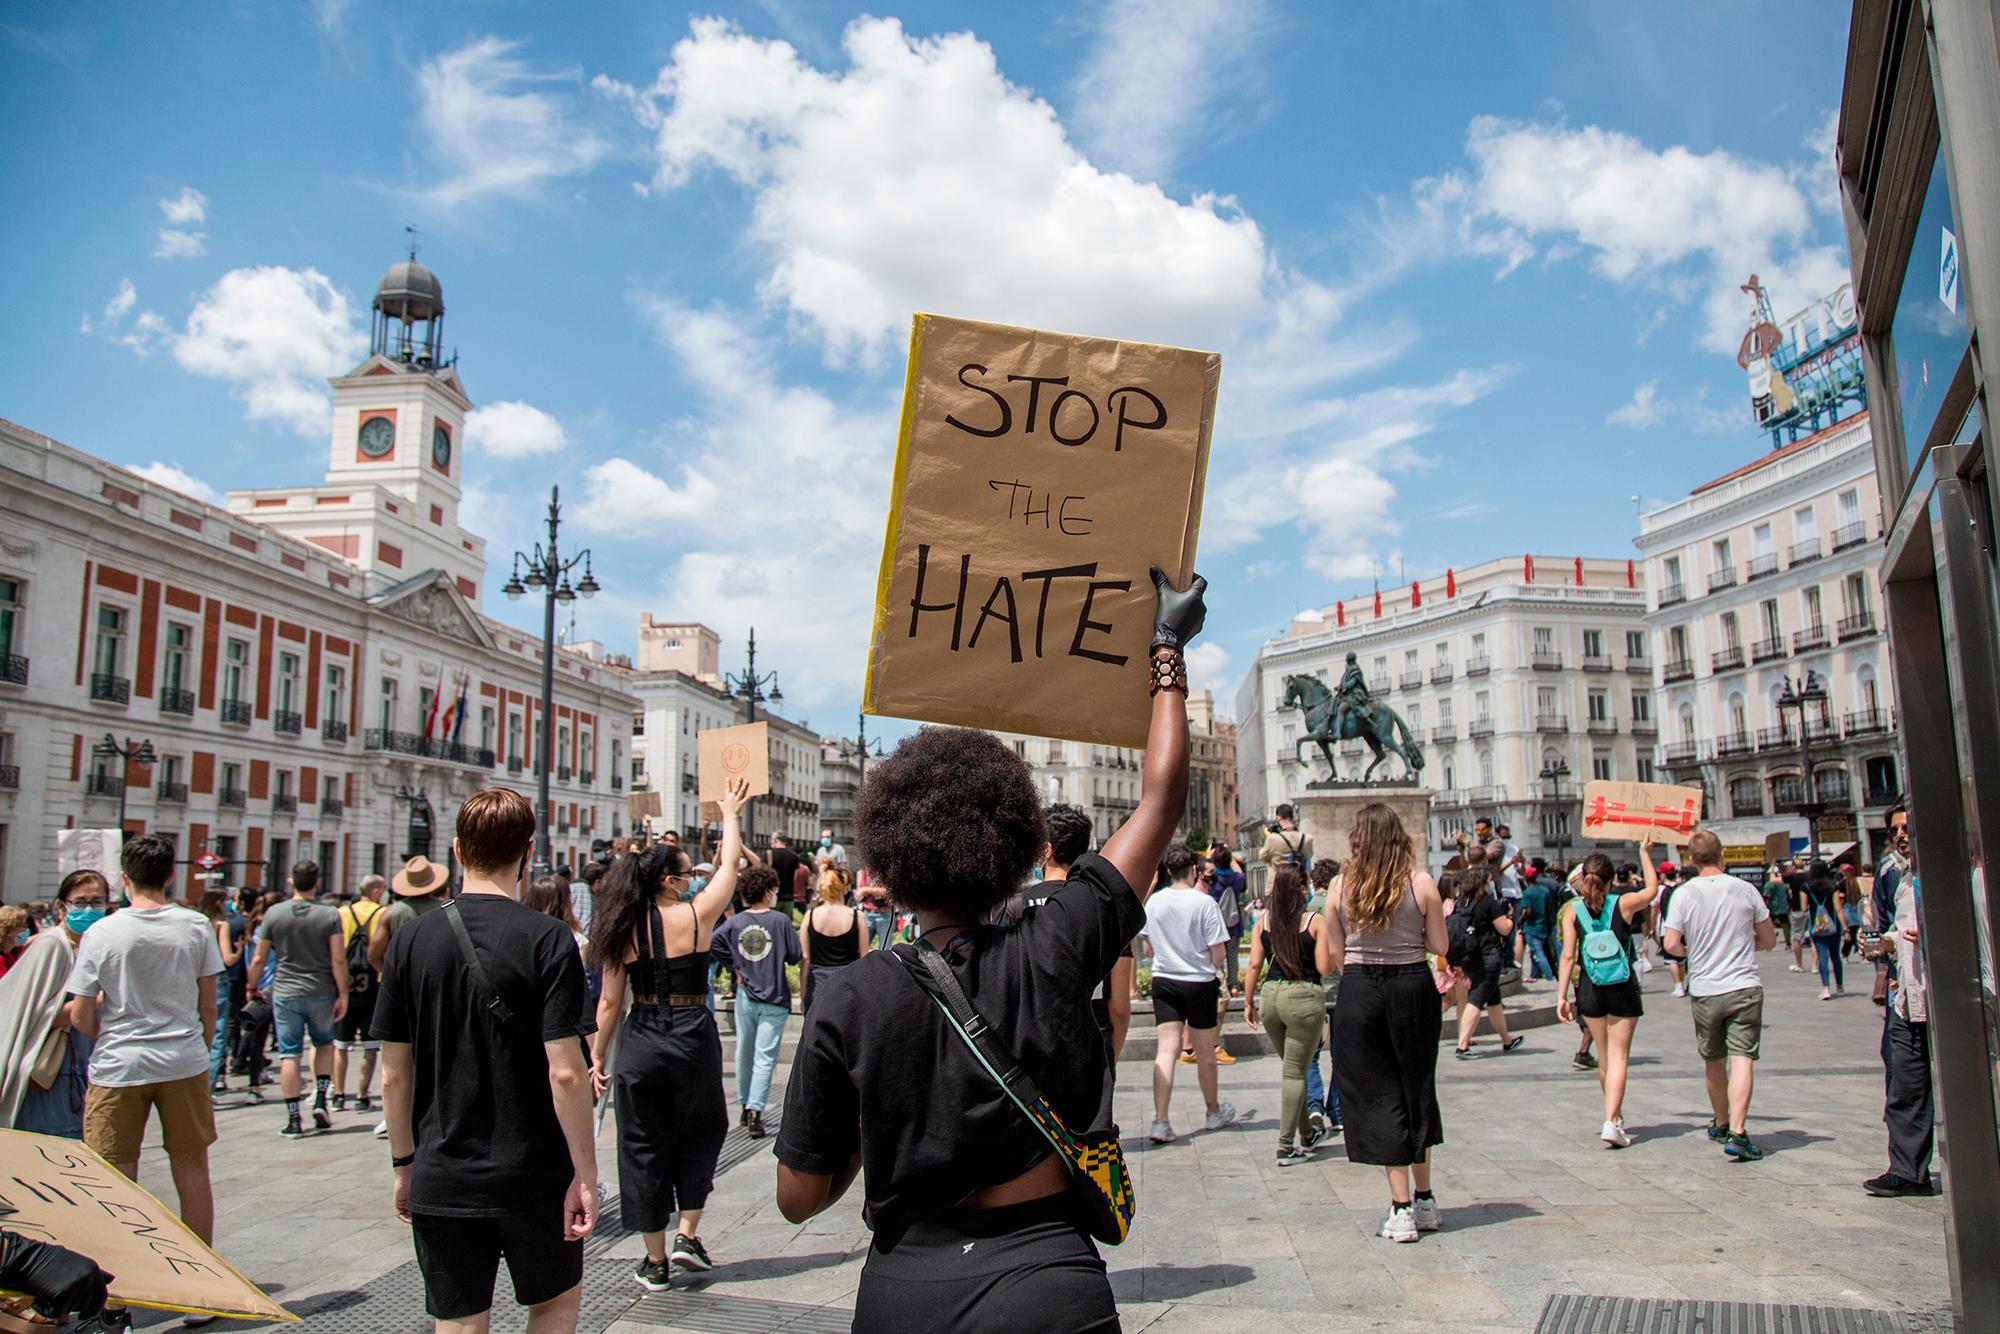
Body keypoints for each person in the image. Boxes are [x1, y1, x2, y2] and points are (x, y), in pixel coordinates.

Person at [773, 566, 1205, 1331]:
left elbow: (797, 1197)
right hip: (1047, 1279)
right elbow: (1161, 802)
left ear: (891, 864)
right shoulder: (1058, 937)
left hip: (906, 1290)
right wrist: (1165, 649)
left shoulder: (850, 997)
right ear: (1012, 848)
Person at [374, 789, 600, 1333]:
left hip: (442, 1168)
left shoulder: (410, 940)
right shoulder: (548, 938)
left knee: (459, 1320)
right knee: (552, 1305)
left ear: (456, 850)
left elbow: (393, 1074)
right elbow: (566, 1071)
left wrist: (404, 1165)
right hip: (534, 1170)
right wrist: (586, 1174)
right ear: (526, 852)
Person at [589, 781, 747, 1291]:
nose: (690, 879)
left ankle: (653, 1259)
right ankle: (687, 1233)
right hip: (692, 1031)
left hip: (642, 1037)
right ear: (672, 882)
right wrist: (729, 814)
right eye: (684, 873)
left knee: (641, 1142)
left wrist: (596, 1056)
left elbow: (610, 1002)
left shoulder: (622, 925)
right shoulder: (697, 916)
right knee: (701, 1130)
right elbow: (728, 870)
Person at [65, 835, 223, 1332]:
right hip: (183, 1060)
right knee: (192, 1171)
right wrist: (200, 1041)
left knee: (115, 1184)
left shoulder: (103, 933)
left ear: (124, 878)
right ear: (171, 875)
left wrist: (109, 1033)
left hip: (119, 1065)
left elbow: (82, 1012)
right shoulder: (196, 926)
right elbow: (210, 1004)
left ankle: (115, 1299)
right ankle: (199, 1294)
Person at [1315, 802, 1451, 1243]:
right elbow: (1439, 943)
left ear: (1358, 839)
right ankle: (1425, 1198)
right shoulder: (1422, 882)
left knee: (1379, 1094)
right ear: (1400, 837)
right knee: (1416, 1085)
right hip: (1414, 986)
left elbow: (1334, 955)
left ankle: (1401, 1208)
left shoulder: (1340, 886)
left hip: (1360, 988)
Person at [1662, 829, 1776, 1162]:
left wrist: (1691, 951)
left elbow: (1671, 945)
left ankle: (1722, 1122)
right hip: (1742, 984)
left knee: (1714, 1059)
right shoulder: (1746, 889)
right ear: (1722, 855)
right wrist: (1747, 943)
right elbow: (1768, 939)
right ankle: (1739, 1132)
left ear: (1692, 860)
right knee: (1742, 1058)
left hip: (1705, 989)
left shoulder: (1683, 894)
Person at [1554, 847, 1659, 1148]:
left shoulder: (1572, 910)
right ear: (1611, 880)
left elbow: (1568, 956)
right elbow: (1652, 890)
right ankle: (1611, 1121)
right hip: (1622, 986)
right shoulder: (1623, 904)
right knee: (1620, 1056)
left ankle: (1614, 1115)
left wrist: (1562, 996)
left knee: (1604, 1056)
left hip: (1590, 988)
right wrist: (1643, 852)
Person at [0, 871, 105, 1139]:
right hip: (52, 1069)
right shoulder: (53, 945)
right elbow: (35, 1014)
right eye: (80, 902)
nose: (89, 910)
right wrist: (92, 1000)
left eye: (97, 902)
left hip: (80, 1064)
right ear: (61, 906)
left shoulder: (91, 945)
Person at [1862, 809, 1934, 1197]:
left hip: (1943, 992)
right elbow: (1891, 925)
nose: (1901, 835)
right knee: (1904, 1079)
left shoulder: (1947, 873)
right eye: (1895, 830)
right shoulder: (1896, 876)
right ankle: (1908, 1170)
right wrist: (1882, 950)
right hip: (1905, 992)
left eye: (1908, 827)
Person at [1144, 845, 1237, 1143]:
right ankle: (1212, 1112)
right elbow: (1219, 952)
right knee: (1205, 1050)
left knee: (1166, 1050)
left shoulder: (1154, 903)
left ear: (1168, 871)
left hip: (1164, 981)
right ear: (1194, 870)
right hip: (1198, 982)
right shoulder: (1204, 903)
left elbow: (1147, 949)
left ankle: (1160, 1120)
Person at [248, 861, 349, 1139]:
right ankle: (320, 1100)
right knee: (324, 1044)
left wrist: (252, 985)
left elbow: (259, 957)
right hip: (320, 989)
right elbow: (337, 958)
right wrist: (343, 992)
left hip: (286, 991)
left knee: (289, 1054)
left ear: (291, 881)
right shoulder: (329, 915)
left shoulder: (274, 913)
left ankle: (293, 1119)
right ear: (318, 883)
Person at [1242, 864, 1325, 1165]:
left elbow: (1253, 965)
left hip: (1271, 998)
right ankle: (1285, 1146)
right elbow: (1326, 967)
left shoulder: (1262, 921)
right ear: (1302, 889)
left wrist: (1249, 1002)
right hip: (1303, 996)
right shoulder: (1314, 922)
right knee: (1294, 1072)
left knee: (1293, 1068)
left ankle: (1308, 1132)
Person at [710, 863, 800, 1140]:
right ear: (769, 890)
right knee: (764, 1056)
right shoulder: (780, 921)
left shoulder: (735, 922)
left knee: (744, 1053)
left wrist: (735, 965)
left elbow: (714, 942)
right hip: (774, 995)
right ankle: (755, 1111)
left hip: (744, 995)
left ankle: (745, 1103)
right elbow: (795, 955)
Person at [1450, 867, 1521, 1058]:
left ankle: (1507, 1040)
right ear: (1481, 883)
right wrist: (1511, 917)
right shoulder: (1488, 902)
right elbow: (1504, 929)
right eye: (1488, 881)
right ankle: (1462, 1045)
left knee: (1494, 999)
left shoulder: (1462, 903)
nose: (1490, 884)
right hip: (1487, 957)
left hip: (1469, 957)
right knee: (1476, 1000)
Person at [332, 874, 387, 1114]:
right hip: (372, 984)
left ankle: (338, 1093)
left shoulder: (342, 913)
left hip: (346, 982)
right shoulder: (382, 913)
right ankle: (362, 1095)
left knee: (341, 1044)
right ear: (375, 892)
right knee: (370, 1045)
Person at [1302, 857, 1342, 1140]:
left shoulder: (1306, 911)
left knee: (1311, 1056)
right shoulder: (1342, 908)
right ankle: (1337, 1111)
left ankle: (1314, 1106)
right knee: (1342, 1055)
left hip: (1314, 989)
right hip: (1341, 989)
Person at [801, 867, 870, 1013]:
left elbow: (805, 958)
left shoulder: (810, 915)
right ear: (843, 888)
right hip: (848, 985)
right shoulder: (858, 917)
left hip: (817, 985)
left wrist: (803, 993)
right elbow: (864, 957)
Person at [195, 890, 242, 1096]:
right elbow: (227, 958)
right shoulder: (221, 925)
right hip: (216, 978)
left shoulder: (196, 923)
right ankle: (208, 1087)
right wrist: (239, 950)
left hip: (194, 977)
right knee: (217, 1032)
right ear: (219, 903)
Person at [1801, 860, 1847, 999]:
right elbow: (1838, 908)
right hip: (1833, 925)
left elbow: (1803, 908)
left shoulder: (1806, 887)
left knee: (1822, 956)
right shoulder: (1833, 885)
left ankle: (1825, 988)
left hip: (1817, 925)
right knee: (1835, 956)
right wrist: (1845, 927)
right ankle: (1839, 985)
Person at [1259, 804, 1312, 871]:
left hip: (1279, 878)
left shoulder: (1272, 838)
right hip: (1299, 879)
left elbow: (1263, 857)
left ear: (1278, 818)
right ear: (1292, 817)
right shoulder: (1307, 838)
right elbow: (1309, 855)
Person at [1762, 865, 1792, 953]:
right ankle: (1788, 944)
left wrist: (1765, 907)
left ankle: (1769, 944)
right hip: (1783, 907)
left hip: (1772, 907)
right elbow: (1788, 896)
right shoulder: (1784, 883)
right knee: (1786, 926)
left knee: (1769, 926)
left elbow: (1767, 896)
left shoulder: (1769, 884)